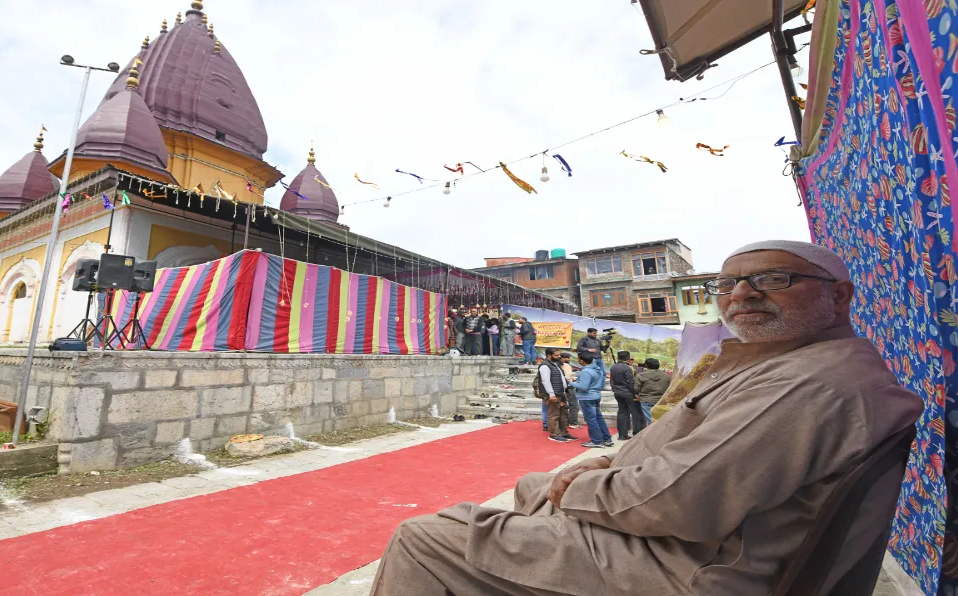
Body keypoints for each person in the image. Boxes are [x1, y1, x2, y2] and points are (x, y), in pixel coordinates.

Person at [368, 240, 924, 596]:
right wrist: (601, 467)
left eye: (773, 280)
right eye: (727, 284)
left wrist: (578, 489)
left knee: (426, 538)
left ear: (841, 297)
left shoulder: (808, 383)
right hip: (681, 537)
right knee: (534, 484)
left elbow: (675, 502)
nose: (742, 296)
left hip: (687, 566)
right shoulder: (797, 363)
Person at [569, 354, 612, 448]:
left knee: (591, 419)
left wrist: (571, 383)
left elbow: (583, 387)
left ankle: (596, 441)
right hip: (596, 395)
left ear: (581, 361)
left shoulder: (585, 371)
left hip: (587, 397)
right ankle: (606, 438)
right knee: (598, 418)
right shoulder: (598, 369)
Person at [535, 348, 572, 443]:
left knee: (563, 413)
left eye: (559, 355)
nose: (559, 356)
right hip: (552, 394)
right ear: (549, 355)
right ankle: (554, 434)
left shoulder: (556, 364)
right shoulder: (545, 366)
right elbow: (545, 381)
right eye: (556, 355)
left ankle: (564, 432)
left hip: (561, 392)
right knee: (554, 414)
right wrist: (551, 394)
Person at [609, 350, 646, 438]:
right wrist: (635, 393)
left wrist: (615, 389)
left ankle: (622, 434)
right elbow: (630, 382)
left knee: (622, 412)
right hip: (627, 393)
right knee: (635, 412)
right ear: (628, 358)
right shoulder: (627, 368)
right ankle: (636, 433)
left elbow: (612, 381)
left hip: (617, 392)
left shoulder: (613, 367)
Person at [635, 357, 671, 423]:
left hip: (646, 400)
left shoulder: (640, 376)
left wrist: (637, 395)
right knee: (661, 420)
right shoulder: (667, 376)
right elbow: (670, 388)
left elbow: (636, 389)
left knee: (650, 420)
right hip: (661, 400)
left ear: (646, 365)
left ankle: (652, 432)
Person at [559, 352, 581, 430]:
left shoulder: (556, 365)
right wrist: (573, 380)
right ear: (563, 358)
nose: (569, 359)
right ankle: (573, 422)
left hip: (561, 387)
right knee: (574, 405)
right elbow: (568, 377)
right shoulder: (566, 366)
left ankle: (565, 422)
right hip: (569, 387)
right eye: (568, 358)